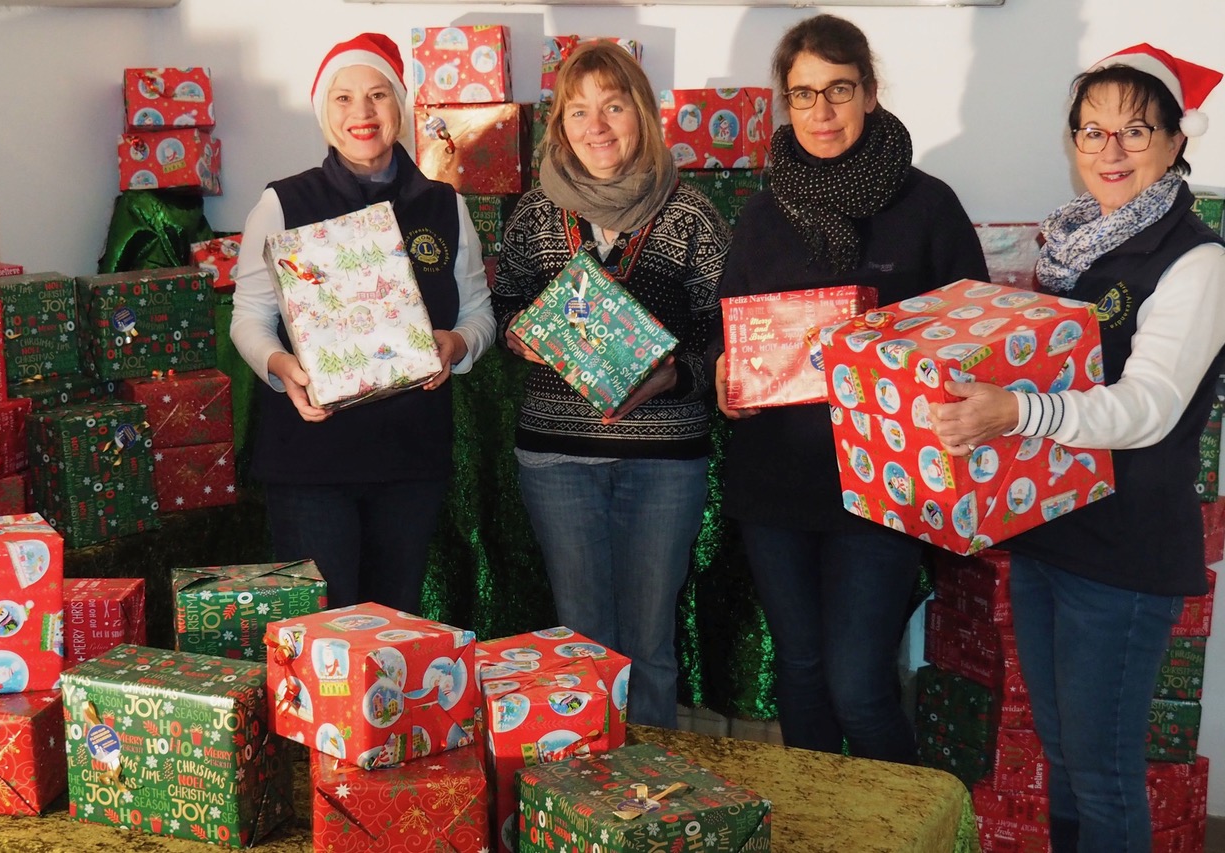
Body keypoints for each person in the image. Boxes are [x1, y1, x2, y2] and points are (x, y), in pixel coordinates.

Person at [929, 44, 1224, 853]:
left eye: (1135, 131)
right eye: (1092, 132)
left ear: (1174, 141)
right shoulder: (1069, 248)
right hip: (1051, 532)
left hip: (1125, 553)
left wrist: (1013, 412)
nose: (1111, 151)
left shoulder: (1197, 261)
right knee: (1063, 759)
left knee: (1103, 773)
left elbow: (1148, 407)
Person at [708, 14, 988, 763]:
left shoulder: (928, 207)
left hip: (884, 483)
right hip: (777, 482)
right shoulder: (763, 211)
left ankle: (908, 832)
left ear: (869, 91)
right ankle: (814, 828)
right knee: (800, 672)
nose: (822, 112)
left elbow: (975, 341)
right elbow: (728, 325)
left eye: (838, 89)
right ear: (785, 103)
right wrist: (723, 373)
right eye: (803, 95)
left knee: (859, 684)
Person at [491, 40, 732, 728]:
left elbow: (725, 337)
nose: (596, 127)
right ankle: (584, 795)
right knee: (580, 638)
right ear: (558, 127)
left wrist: (671, 374)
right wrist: (519, 334)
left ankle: (651, 796)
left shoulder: (693, 215)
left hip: (664, 463)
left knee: (651, 641)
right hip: (556, 458)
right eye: (577, 112)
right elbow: (508, 302)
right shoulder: (535, 213)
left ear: (644, 114)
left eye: (614, 106)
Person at [231, 33, 496, 611]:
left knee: (393, 625)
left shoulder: (443, 206)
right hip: (311, 456)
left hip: (409, 457)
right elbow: (248, 318)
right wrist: (282, 367)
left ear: (401, 106)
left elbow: (479, 314)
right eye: (343, 98)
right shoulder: (283, 203)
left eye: (378, 95)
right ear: (323, 111)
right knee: (323, 636)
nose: (362, 113)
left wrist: (456, 344)